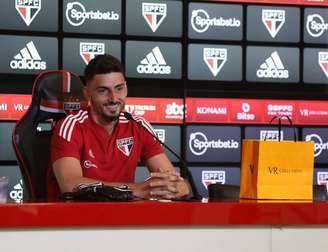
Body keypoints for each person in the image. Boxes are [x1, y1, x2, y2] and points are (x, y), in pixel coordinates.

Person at [47, 54, 190, 200]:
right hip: (76, 218)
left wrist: (172, 187)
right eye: (103, 91)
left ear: (126, 88)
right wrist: (135, 190)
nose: (114, 98)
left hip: (123, 218)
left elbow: (178, 185)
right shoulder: (71, 126)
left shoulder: (138, 125)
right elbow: (70, 185)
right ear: (87, 93)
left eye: (119, 88)